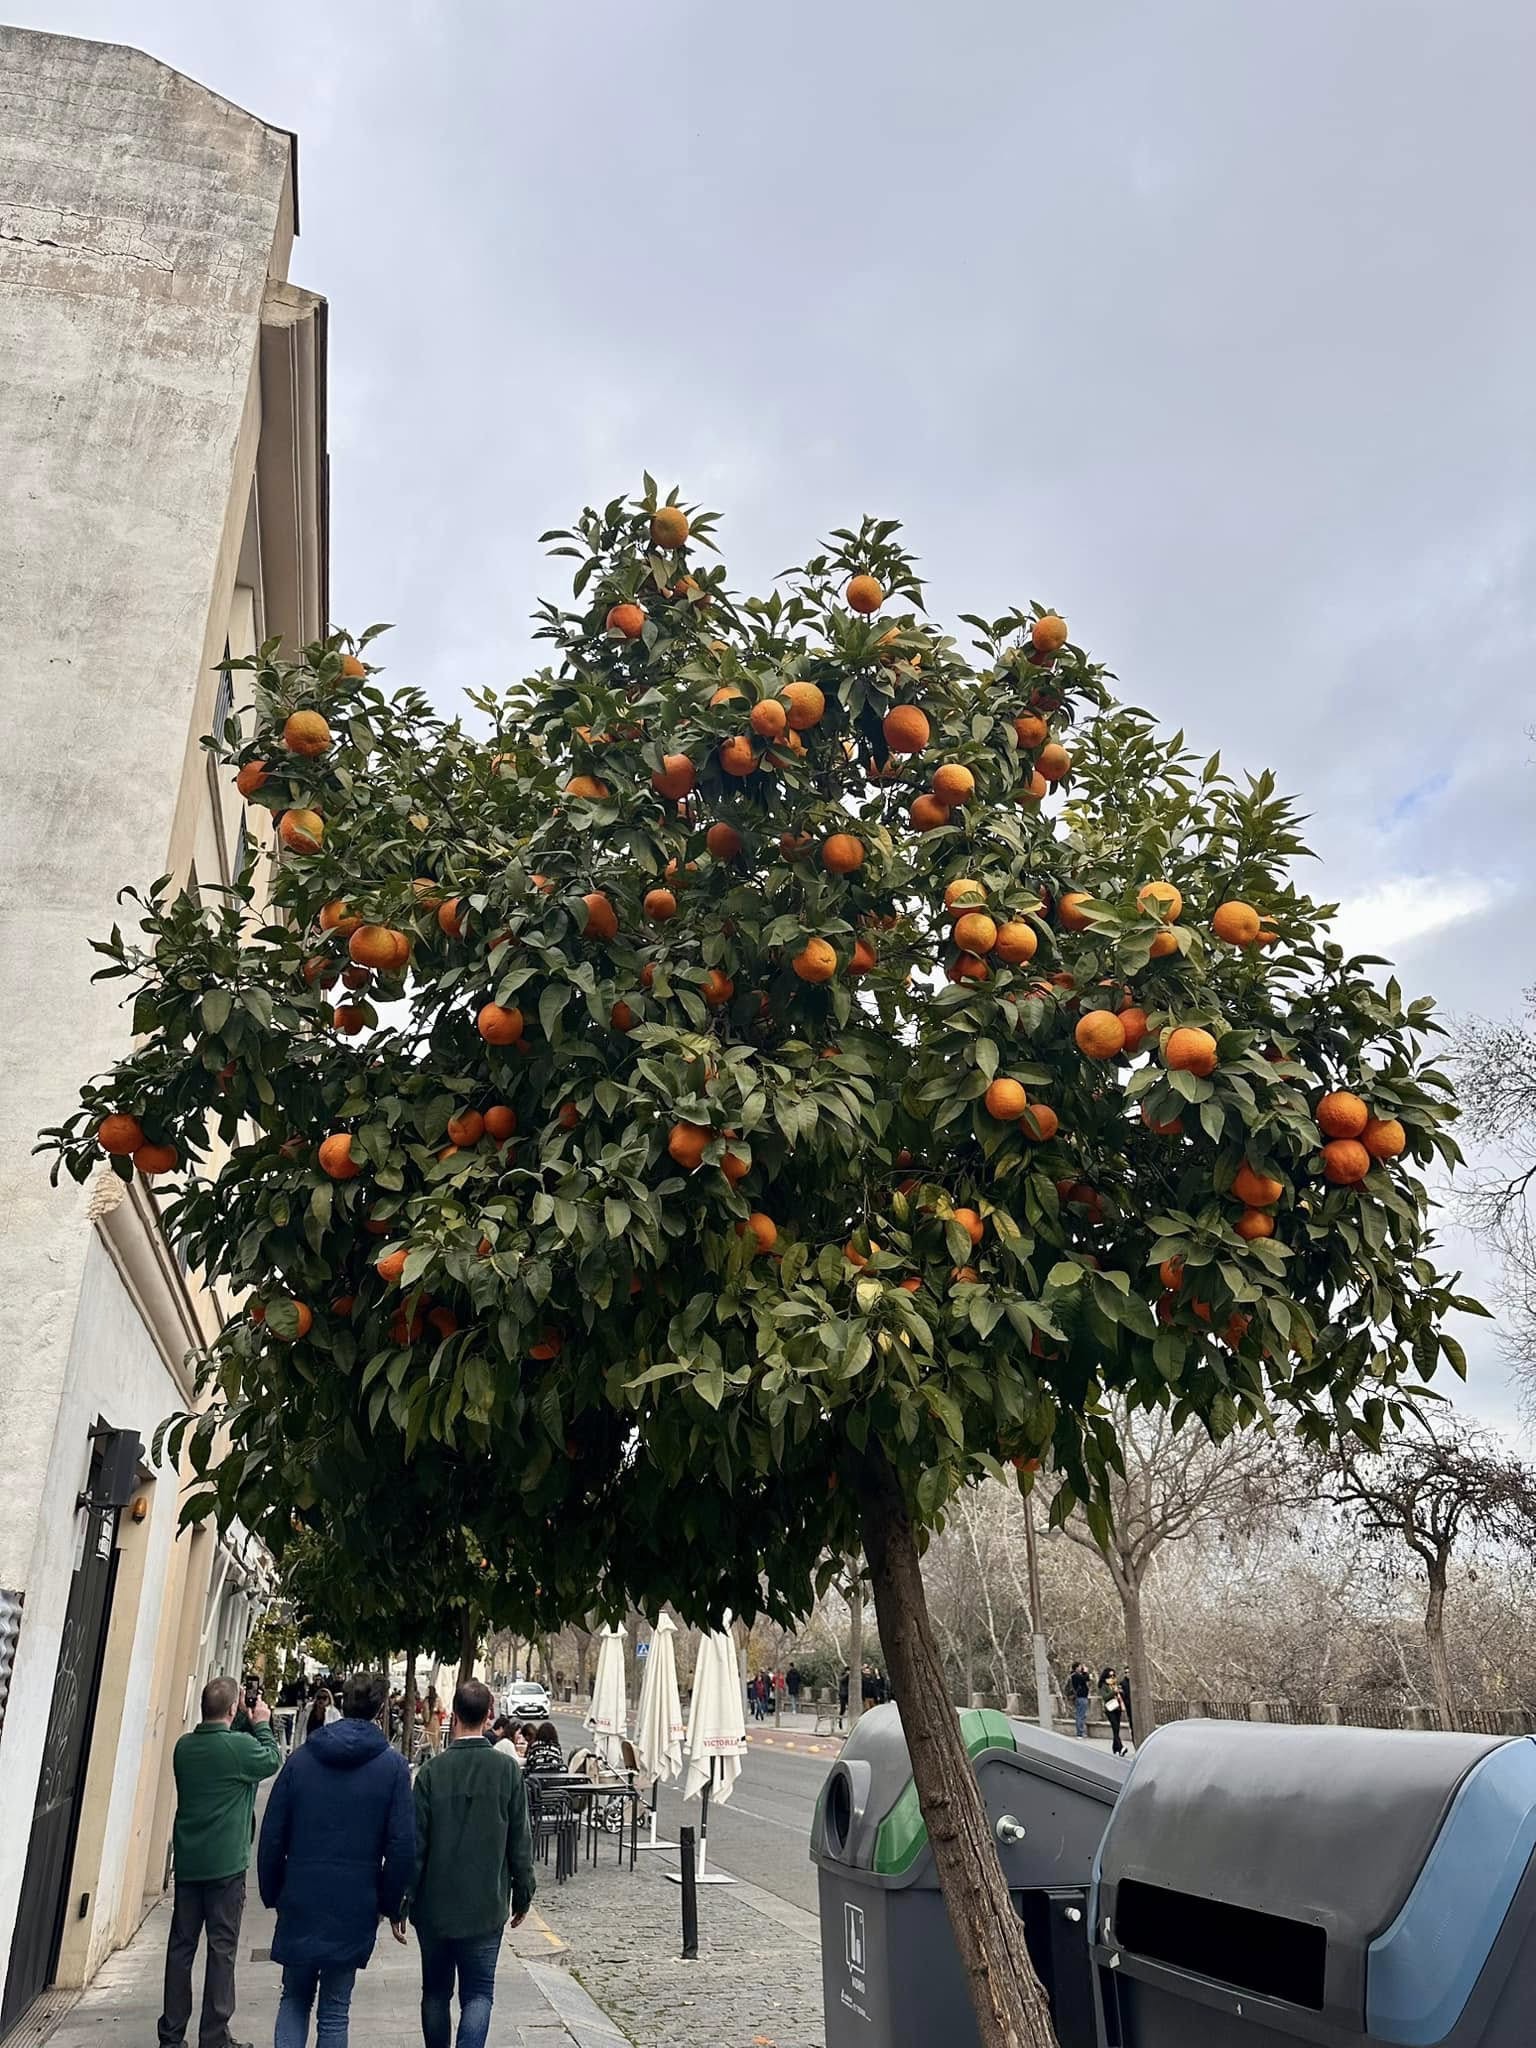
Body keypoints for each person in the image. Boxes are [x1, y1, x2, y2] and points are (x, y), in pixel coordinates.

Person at [257, 1670, 414, 2047]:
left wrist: (273, 1889)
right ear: (380, 1711)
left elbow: (273, 1831)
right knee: (335, 2009)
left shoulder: (302, 1759)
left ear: (342, 1703)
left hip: (302, 1892)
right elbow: (401, 1843)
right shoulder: (391, 1768)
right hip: (355, 1900)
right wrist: (392, 1903)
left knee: (294, 1998)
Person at [405, 1678, 535, 2048]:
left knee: (434, 1993)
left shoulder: (431, 1772)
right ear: (489, 1715)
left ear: (455, 1716)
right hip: (485, 1905)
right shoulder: (507, 1771)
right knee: (478, 1995)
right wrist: (523, 1893)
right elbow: (520, 1842)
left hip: (435, 1907)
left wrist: (402, 1898)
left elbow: (416, 1844)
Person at [157, 1675, 280, 2048]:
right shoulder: (239, 1749)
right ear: (231, 1709)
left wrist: (239, 1717)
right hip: (226, 1865)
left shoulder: (184, 1748)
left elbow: (227, 1743)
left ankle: (171, 2034)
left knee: (181, 1949)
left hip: (191, 1863)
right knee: (221, 1950)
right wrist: (260, 1722)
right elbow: (271, 1758)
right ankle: (214, 2035)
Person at [1099, 1668, 1126, 1757]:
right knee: (1115, 1727)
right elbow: (1105, 1697)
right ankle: (1121, 1747)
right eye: (1110, 1676)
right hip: (1110, 1709)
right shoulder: (1104, 1686)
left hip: (1117, 1708)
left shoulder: (1115, 1684)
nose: (1112, 1677)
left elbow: (1120, 1695)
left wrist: (1120, 1692)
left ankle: (1115, 1747)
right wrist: (1113, 1692)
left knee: (1116, 1729)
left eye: (1113, 1675)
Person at [1069, 1663, 1092, 1739]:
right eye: (1079, 1667)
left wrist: (1084, 1673)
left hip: (1082, 1697)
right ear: (1076, 1668)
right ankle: (1079, 1733)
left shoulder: (1077, 1675)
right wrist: (1085, 1672)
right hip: (1080, 1697)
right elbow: (1085, 1678)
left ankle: (1081, 1732)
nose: (1081, 1668)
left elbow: (1087, 1679)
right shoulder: (1075, 1676)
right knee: (1080, 1716)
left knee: (1082, 1715)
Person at [1118, 1672, 1135, 1746]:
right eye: (1126, 1672)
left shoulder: (1133, 1681)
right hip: (1128, 1705)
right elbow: (1121, 1695)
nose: (1128, 1674)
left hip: (1134, 1704)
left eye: (1129, 1672)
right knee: (1132, 1723)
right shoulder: (1122, 1683)